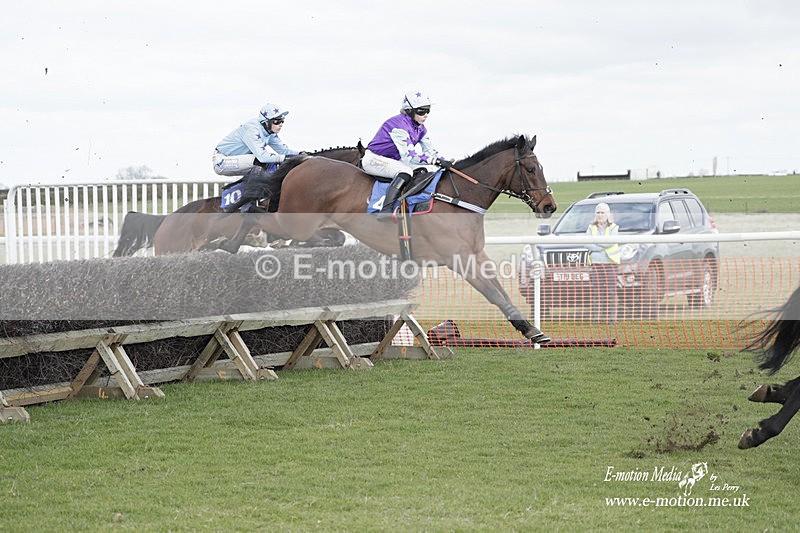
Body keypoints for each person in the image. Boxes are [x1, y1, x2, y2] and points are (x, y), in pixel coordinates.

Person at [363, 90, 451, 221]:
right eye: (422, 111)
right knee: (406, 171)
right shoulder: (398, 126)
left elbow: (431, 152)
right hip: (374, 159)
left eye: (428, 110)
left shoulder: (421, 128)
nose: (426, 115)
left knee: (431, 169)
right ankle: (386, 209)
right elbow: (410, 156)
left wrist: (445, 162)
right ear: (409, 111)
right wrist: (435, 160)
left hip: (393, 159)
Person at [213, 103, 301, 213]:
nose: (280, 124)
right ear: (266, 121)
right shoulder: (252, 130)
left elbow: (284, 151)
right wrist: (286, 159)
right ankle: (249, 203)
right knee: (261, 161)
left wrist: (301, 154)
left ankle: (261, 199)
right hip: (222, 161)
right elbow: (263, 157)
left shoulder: (269, 132)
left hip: (241, 159)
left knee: (274, 163)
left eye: (282, 121)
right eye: (277, 121)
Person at [585, 202, 621, 323]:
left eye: (602, 212)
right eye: (598, 212)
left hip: (610, 264)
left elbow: (610, 242)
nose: (600, 215)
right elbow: (586, 243)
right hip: (596, 265)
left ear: (608, 214)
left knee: (611, 291)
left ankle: (613, 320)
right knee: (597, 292)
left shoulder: (614, 227)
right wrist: (599, 246)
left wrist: (596, 242)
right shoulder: (591, 227)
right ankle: (596, 319)